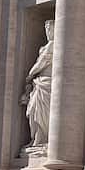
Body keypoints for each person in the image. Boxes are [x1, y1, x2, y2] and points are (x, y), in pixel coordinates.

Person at [21, 21, 55, 149]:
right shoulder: (45, 46)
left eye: (51, 29)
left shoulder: (52, 45)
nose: (48, 32)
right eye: (46, 29)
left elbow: (42, 62)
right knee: (33, 110)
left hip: (47, 81)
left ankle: (42, 139)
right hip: (40, 82)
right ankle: (37, 138)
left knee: (42, 112)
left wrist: (30, 74)